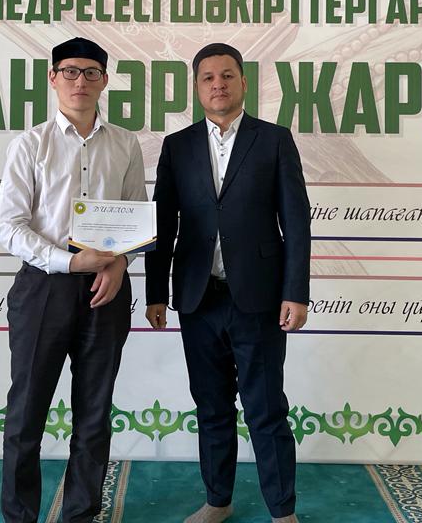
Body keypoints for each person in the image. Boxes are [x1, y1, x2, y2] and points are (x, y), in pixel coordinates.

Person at [145, 43, 311, 523]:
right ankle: (217, 501)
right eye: (207, 77)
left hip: (259, 298)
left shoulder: (274, 140)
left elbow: (296, 221)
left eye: (227, 75)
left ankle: (282, 511)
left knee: (266, 408)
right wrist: (156, 294)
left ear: (243, 82)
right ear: (197, 87)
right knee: (211, 407)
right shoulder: (177, 146)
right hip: (198, 298)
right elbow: (163, 225)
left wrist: (296, 292)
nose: (217, 84)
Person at [0, 37, 147, 523]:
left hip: (107, 288)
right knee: (26, 413)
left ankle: (80, 514)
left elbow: (135, 218)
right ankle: (20, 516)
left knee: (94, 412)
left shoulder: (125, 143)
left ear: (104, 80)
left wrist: (120, 263)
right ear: (53, 78)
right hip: (44, 287)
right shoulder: (30, 144)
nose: (80, 81)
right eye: (70, 71)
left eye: (91, 72)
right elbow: (9, 226)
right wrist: (67, 262)